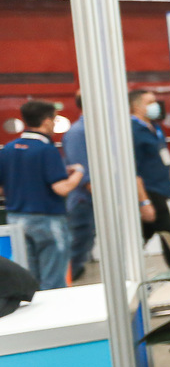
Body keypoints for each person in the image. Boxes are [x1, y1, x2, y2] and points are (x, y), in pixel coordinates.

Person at [0, 100, 84, 289]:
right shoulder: (47, 150)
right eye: (54, 120)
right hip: (47, 220)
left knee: (29, 279)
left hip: (16, 219)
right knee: (53, 278)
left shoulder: (8, 149)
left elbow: (3, 187)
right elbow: (61, 188)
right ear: (46, 121)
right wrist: (79, 172)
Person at [130, 89, 170, 267]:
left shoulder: (155, 128)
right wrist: (144, 201)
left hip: (162, 188)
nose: (155, 106)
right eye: (150, 102)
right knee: (167, 231)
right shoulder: (133, 130)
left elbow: (164, 159)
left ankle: (128, 262)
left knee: (149, 231)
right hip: (148, 189)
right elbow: (134, 169)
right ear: (137, 106)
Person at [62, 91, 94, 281]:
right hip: (84, 201)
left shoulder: (92, 130)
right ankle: (67, 283)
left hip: (90, 200)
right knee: (78, 244)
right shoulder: (78, 132)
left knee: (84, 243)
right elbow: (82, 172)